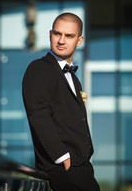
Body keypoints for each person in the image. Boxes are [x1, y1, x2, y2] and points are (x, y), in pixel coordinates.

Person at [22, 12, 100, 191]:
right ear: (50, 35)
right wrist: (63, 158)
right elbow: (39, 116)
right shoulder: (39, 69)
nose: (61, 40)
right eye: (57, 34)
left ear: (79, 41)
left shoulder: (73, 77)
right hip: (62, 169)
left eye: (69, 36)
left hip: (80, 166)